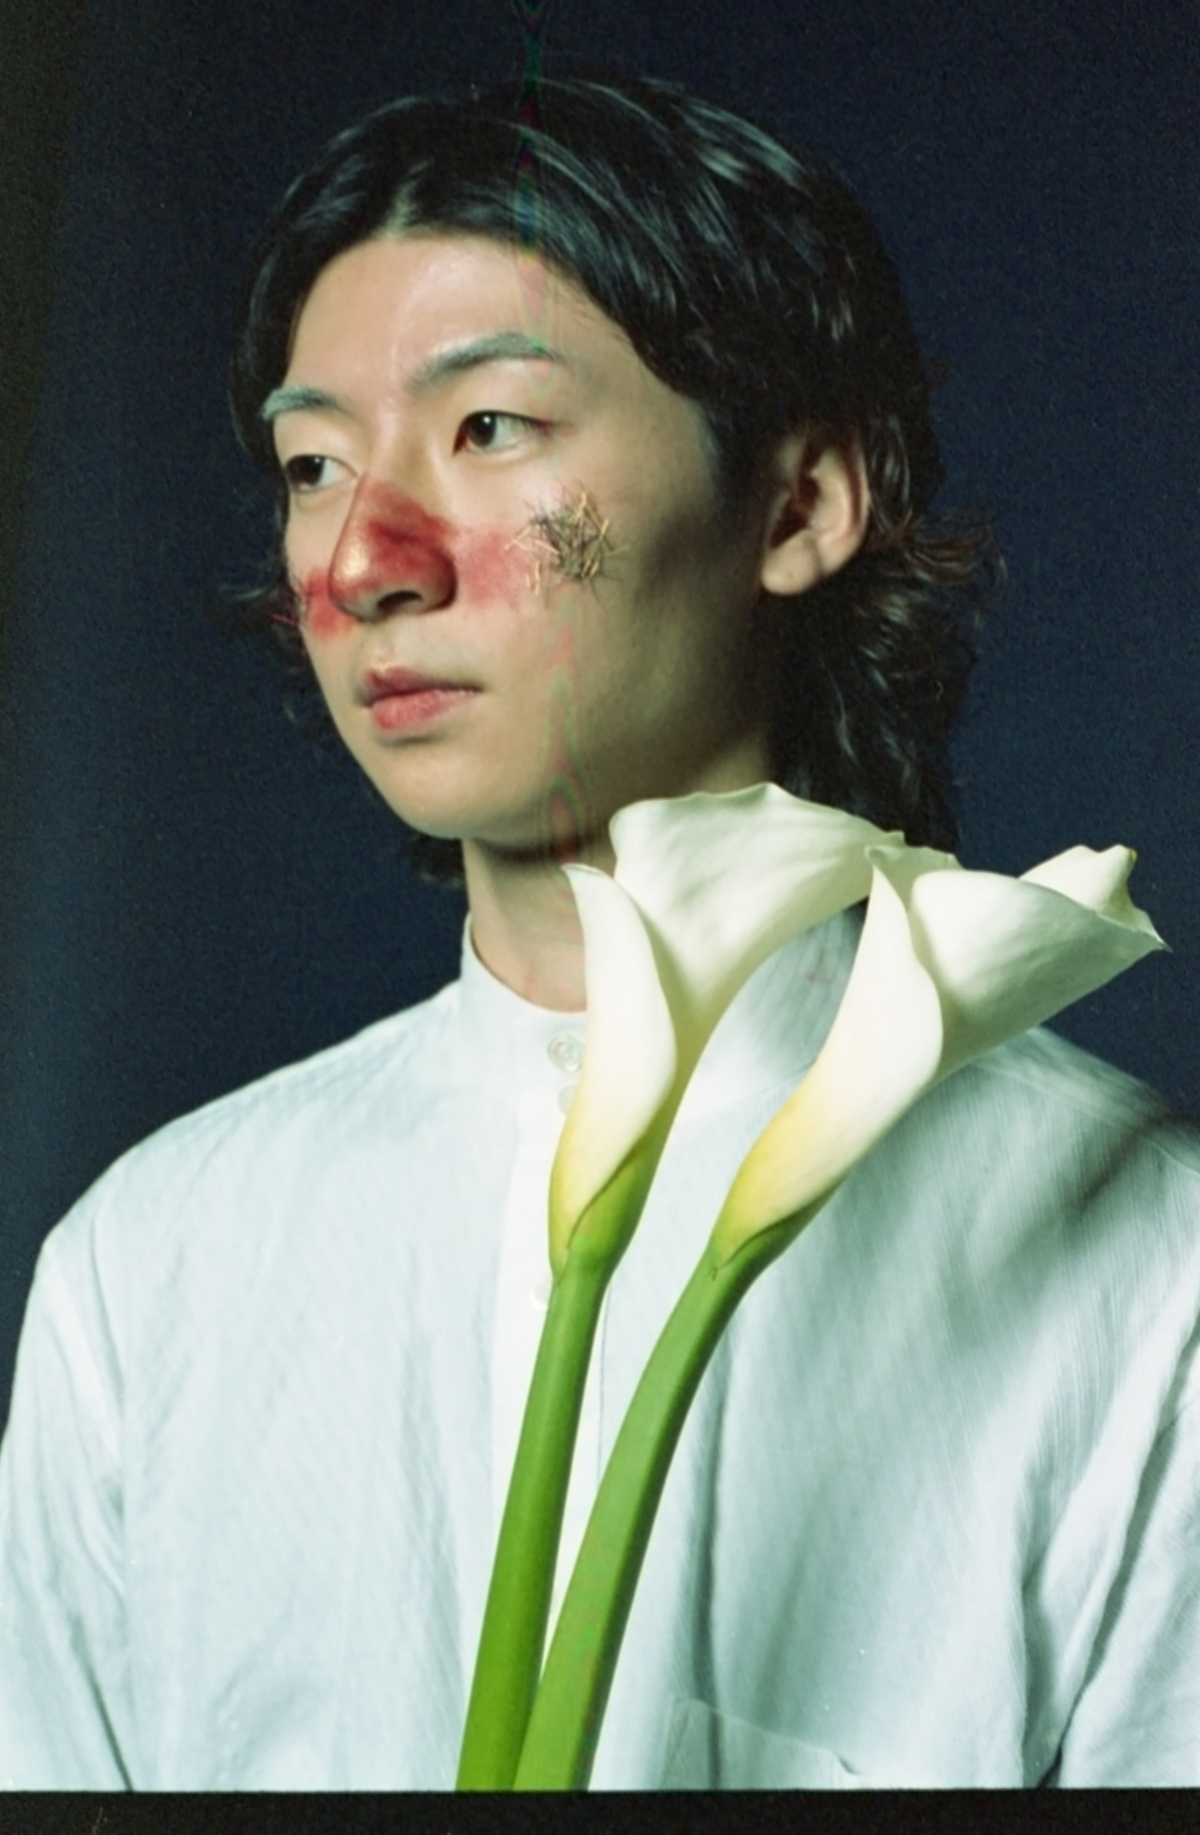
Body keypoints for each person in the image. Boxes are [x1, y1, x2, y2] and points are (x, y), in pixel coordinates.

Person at [1, 75, 1197, 1790]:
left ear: (800, 506)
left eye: (492, 427)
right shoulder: (149, 1267)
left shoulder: (1148, 1269)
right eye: (313, 463)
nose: (366, 563)